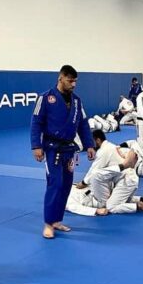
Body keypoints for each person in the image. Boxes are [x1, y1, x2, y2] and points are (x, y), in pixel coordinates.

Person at [31, 65, 96, 239]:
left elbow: (83, 123)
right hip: (52, 148)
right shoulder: (45, 98)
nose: (73, 84)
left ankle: (57, 220)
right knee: (55, 183)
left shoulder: (77, 101)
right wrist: (36, 146)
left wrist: (89, 144)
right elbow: (36, 122)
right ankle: (48, 224)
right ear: (60, 78)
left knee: (67, 185)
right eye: (70, 81)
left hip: (70, 150)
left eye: (75, 81)